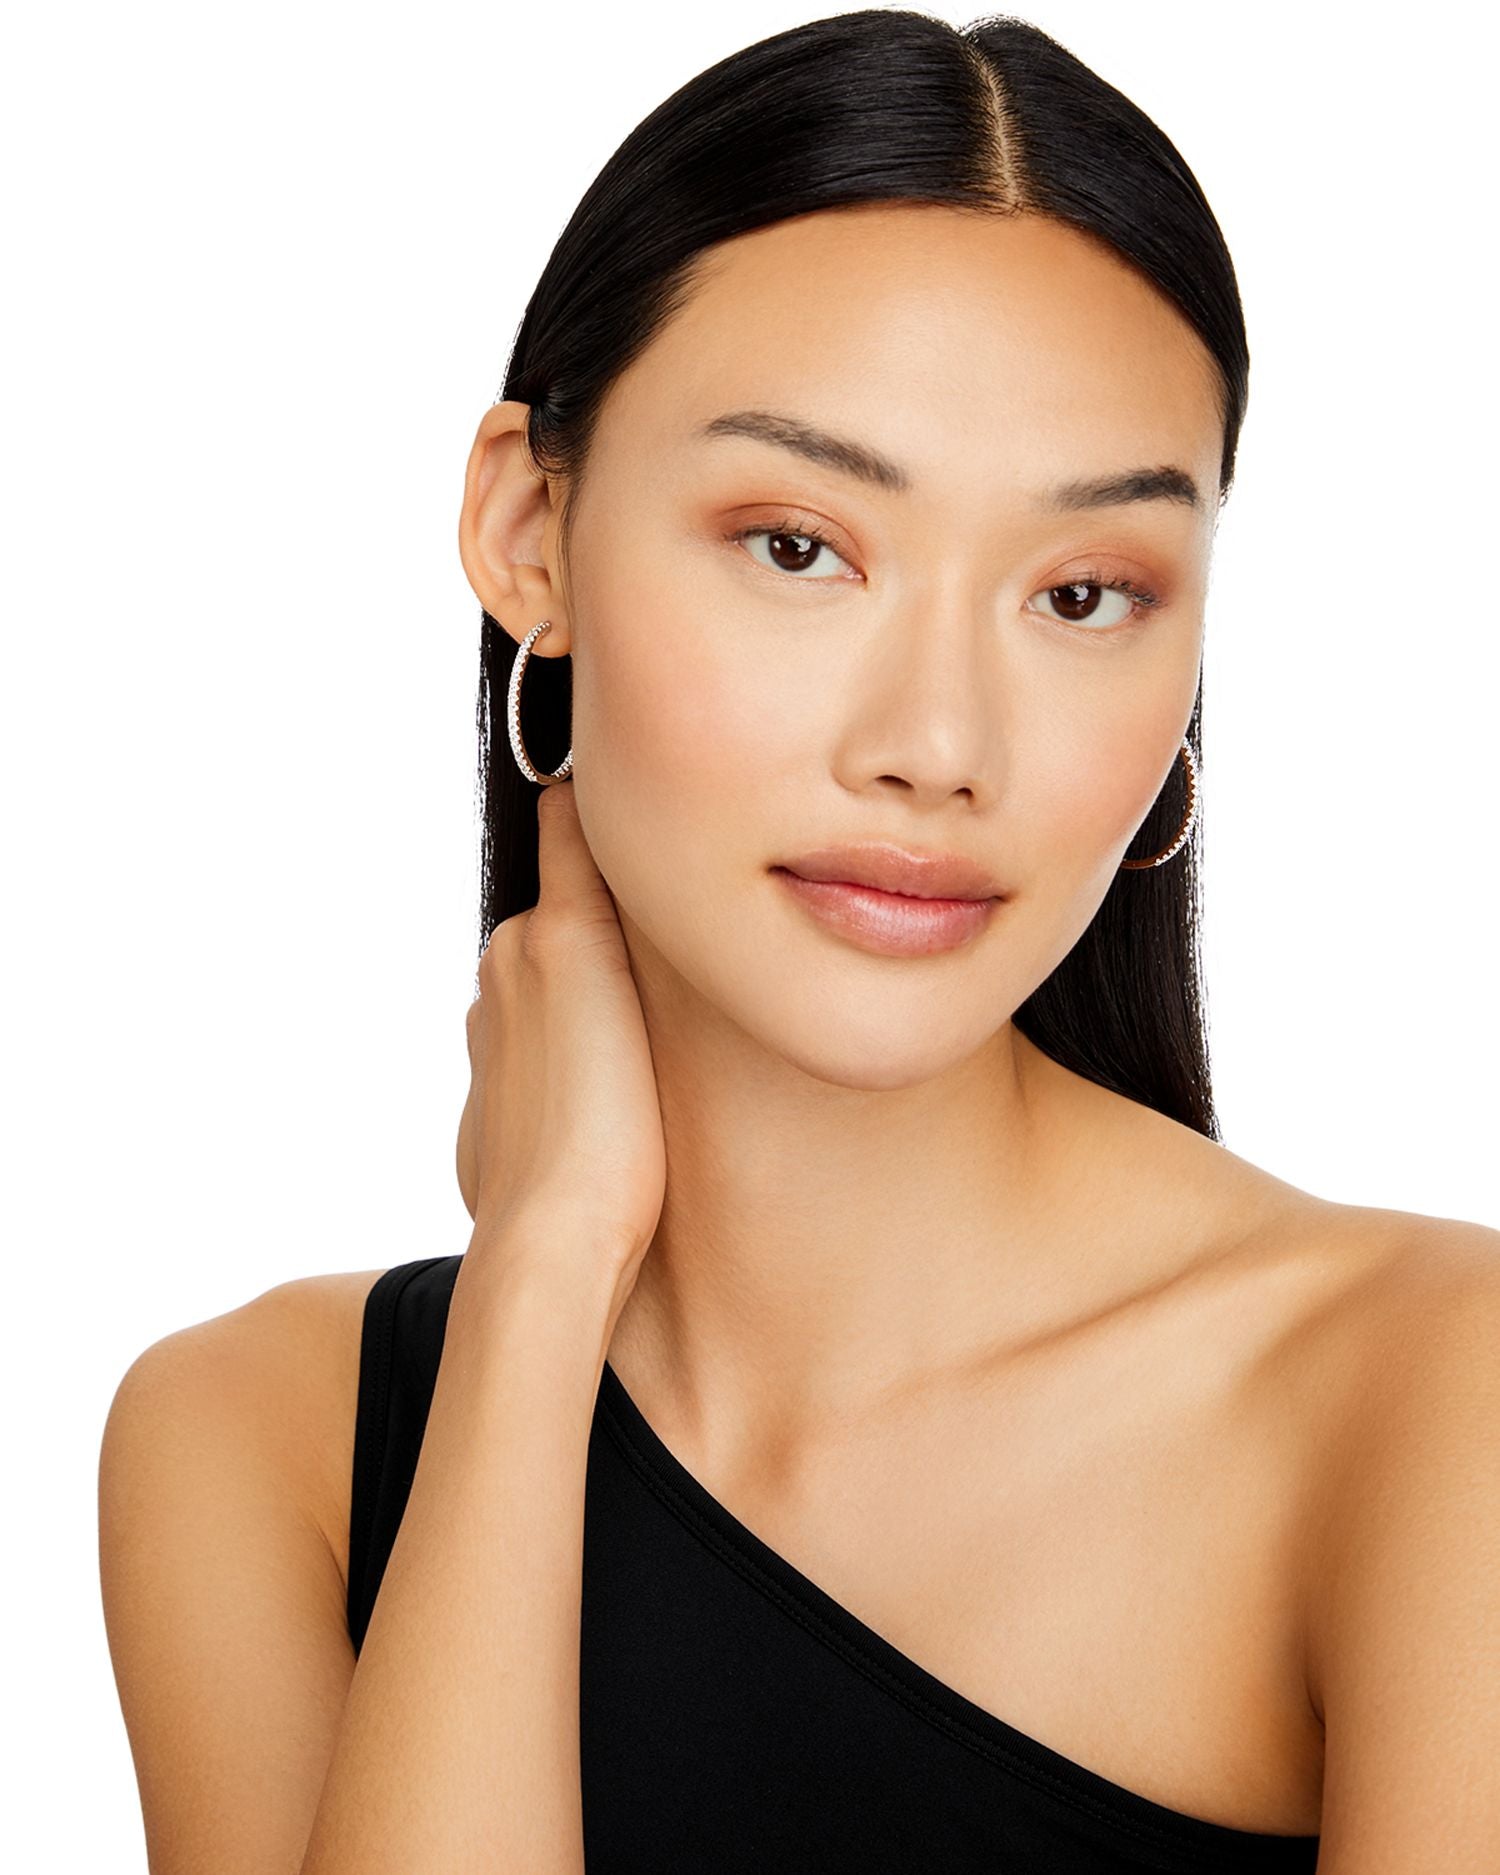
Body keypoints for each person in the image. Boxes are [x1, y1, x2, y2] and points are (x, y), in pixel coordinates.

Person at [98, 10, 1500, 1872]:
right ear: (530, 530)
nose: (938, 742)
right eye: (797, 547)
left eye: (1086, 593)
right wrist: (538, 1284)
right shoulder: (257, 1440)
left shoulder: (1434, 1401)